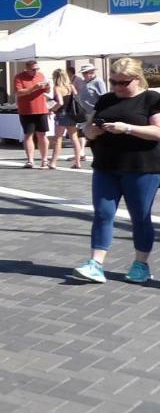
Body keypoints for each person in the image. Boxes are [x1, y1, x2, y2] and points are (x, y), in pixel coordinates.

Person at [72, 57, 160, 285]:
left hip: (142, 168)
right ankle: (95, 264)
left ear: (138, 79)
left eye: (124, 82)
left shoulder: (151, 98)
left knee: (140, 217)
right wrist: (93, 131)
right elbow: (88, 131)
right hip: (105, 166)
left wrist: (127, 128)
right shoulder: (106, 99)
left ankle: (141, 264)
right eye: (114, 82)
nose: (119, 87)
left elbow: (158, 131)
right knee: (102, 213)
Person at [14, 59, 51, 168]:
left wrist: (48, 86)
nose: (36, 71)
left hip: (41, 109)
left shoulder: (40, 75)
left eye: (37, 69)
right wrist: (34, 88)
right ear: (27, 69)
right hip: (26, 111)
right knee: (29, 134)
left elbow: (47, 91)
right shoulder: (19, 77)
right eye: (33, 69)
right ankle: (30, 160)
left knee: (42, 134)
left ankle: (44, 159)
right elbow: (19, 93)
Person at [48, 68, 84, 170]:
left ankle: (53, 162)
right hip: (71, 113)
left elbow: (60, 102)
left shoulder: (57, 88)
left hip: (62, 114)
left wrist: (52, 109)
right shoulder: (71, 86)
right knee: (74, 138)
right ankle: (77, 162)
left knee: (58, 139)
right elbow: (76, 97)